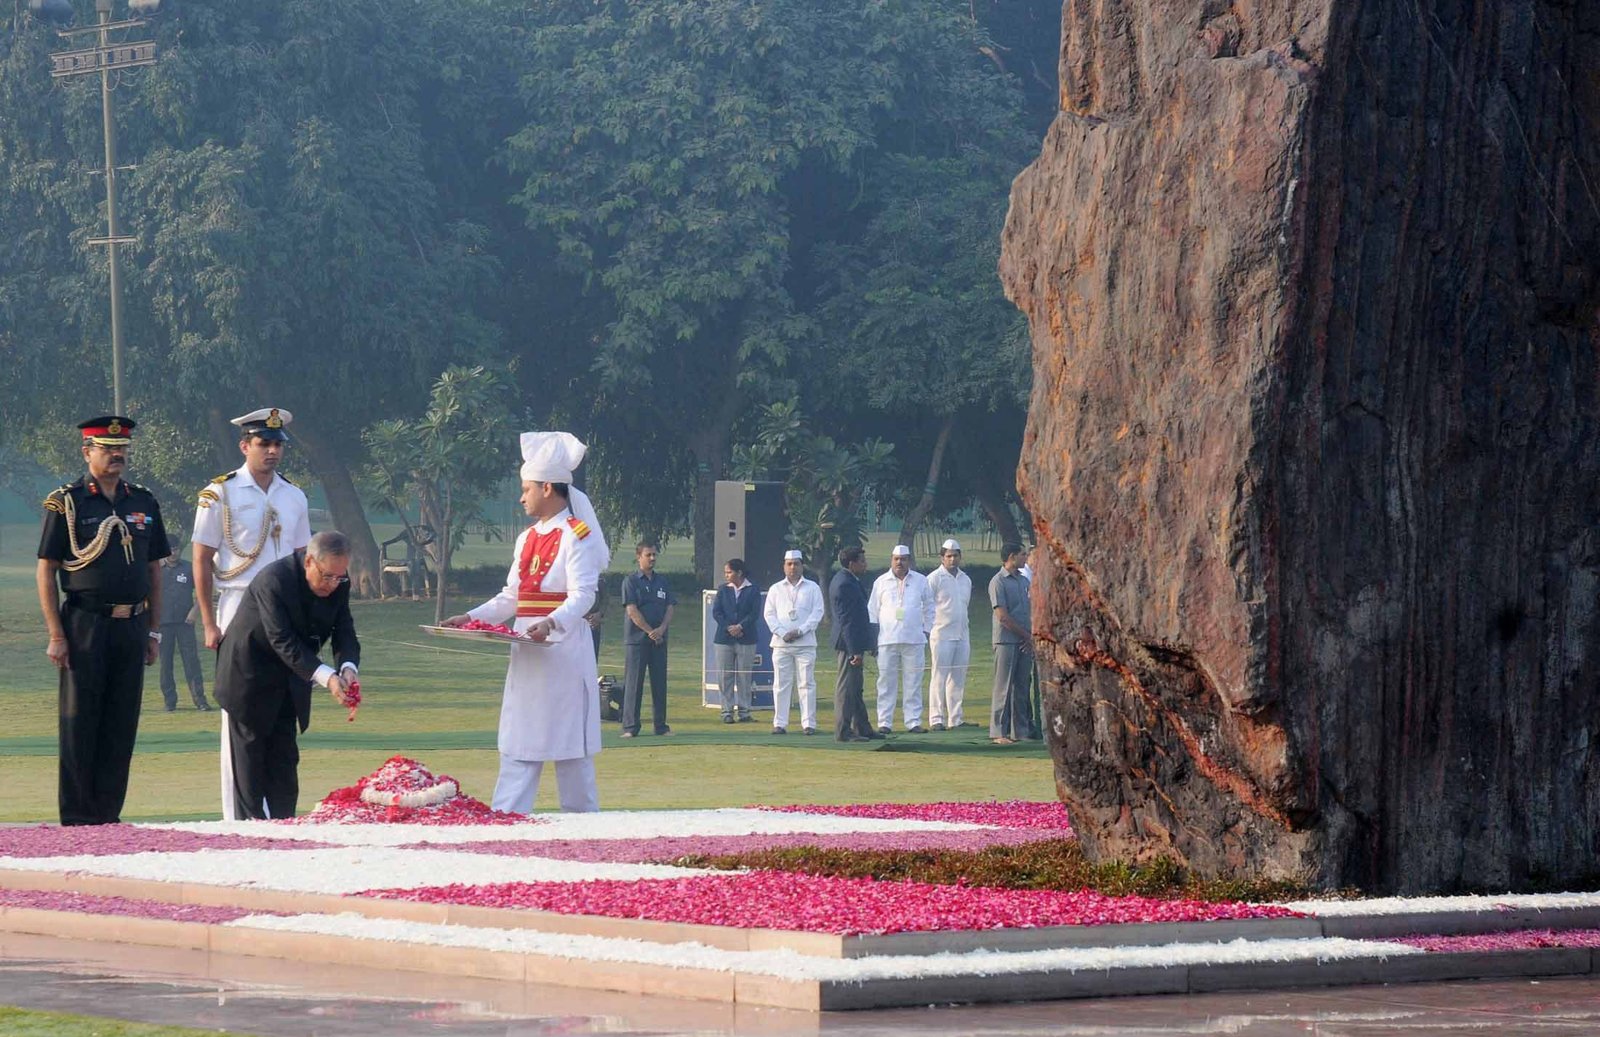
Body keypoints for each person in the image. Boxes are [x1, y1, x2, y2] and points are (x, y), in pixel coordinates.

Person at [444, 431, 609, 812]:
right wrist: (470, 617)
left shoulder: (576, 536)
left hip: (564, 652)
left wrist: (550, 623)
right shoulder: (526, 538)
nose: (521, 497)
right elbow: (512, 596)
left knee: (572, 752)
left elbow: (583, 595)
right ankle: (507, 819)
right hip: (527, 651)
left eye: (526, 489)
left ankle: (586, 829)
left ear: (548, 488)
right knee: (520, 741)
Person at [36, 416, 169, 826]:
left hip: (131, 625)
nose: (117, 456)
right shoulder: (68, 502)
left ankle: (108, 817)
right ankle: (77, 819)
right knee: (80, 721)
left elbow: (154, 571)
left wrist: (153, 630)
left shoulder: (142, 501)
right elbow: (47, 569)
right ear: (87, 452)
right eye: (107, 448)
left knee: (121, 721)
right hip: (84, 624)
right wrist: (56, 634)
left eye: (122, 449)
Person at [192, 407, 311, 820]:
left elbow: (302, 561)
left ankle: (280, 813)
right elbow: (202, 558)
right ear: (245, 445)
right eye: (264, 443)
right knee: (240, 713)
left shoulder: (294, 495)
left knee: (281, 710)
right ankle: (237, 814)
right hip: (238, 603)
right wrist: (209, 622)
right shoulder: (220, 493)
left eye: (278, 444)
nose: (273, 451)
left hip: (284, 613)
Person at [213, 532, 360, 819]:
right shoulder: (274, 580)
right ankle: (249, 843)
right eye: (327, 576)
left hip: (290, 680)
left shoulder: (339, 582)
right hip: (248, 680)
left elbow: (344, 630)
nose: (333, 585)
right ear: (309, 561)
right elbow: (282, 639)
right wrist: (328, 677)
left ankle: (285, 836)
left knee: (284, 770)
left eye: (339, 578)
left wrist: (348, 668)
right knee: (251, 775)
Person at [868, 544, 934, 733]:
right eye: (896, 559)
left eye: (903, 559)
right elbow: (872, 611)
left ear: (909, 560)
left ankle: (913, 722)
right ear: (891, 560)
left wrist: (926, 630)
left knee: (913, 681)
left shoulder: (921, 581)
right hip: (886, 639)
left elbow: (930, 607)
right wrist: (873, 638)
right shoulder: (881, 582)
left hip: (914, 639)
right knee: (886, 682)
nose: (900, 562)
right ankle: (884, 722)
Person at [764, 549, 824, 734]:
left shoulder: (812, 587)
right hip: (781, 644)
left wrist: (800, 630)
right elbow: (769, 614)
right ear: (784, 566)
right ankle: (780, 723)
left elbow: (818, 613)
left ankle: (808, 724)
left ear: (801, 565)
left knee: (806, 683)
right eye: (789, 564)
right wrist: (783, 633)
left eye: (796, 563)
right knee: (781, 684)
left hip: (805, 643)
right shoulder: (775, 589)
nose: (792, 567)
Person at [620, 542, 675, 737]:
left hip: (659, 640)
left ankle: (660, 726)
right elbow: (632, 610)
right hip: (637, 641)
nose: (652, 558)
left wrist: (661, 629)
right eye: (648, 555)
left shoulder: (662, 581)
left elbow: (670, 607)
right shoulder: (631, 581)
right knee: (634, 684)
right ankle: (630, 727)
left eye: (654, 555)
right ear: (639, 557)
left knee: (659, 684)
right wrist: (649, 630)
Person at [829, 545, 879, 742]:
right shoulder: (844, 584)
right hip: (848, 644)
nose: (865, 565)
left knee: (856, 687)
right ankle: (843, 730)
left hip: (854, 641)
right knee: (846, 688)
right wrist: (854, 651)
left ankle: (862, 727)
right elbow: (847, 621)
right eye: (862, 561)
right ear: (852, 564)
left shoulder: (850, 580)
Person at [157, 531, 211, 712]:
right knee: (165, 664)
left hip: (185, 623)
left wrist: (195, 612)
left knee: (191, 662)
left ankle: (200, 700)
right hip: (162, 624)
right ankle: (169, 702)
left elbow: (204, 591)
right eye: (170, 549)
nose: (173, 552)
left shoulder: (189, 568)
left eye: (176, 549)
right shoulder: (156, 569)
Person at [989, 542, 1033, 744]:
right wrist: (1026, 635)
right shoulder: (998, 582)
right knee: (1003, 686)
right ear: (1012, 557)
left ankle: (1020, 731)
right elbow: (1002, 616)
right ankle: (999, 732)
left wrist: (1030, 636)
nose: (1026, 558)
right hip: (1006, 641)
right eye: (1023, 554)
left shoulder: (1024, 581)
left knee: (1022, 686)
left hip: (1025, 640)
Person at [925, 538, 972, 731]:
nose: (952, 559)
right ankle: (936, 719)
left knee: (958, 677)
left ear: (960, 557)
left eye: (955, 556)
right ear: (942, 558)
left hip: (962, 634)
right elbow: (926, 606)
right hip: (941, 634)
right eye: (949, 556)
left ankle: (956, 718)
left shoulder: (965, 579)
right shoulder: (934, 578)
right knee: (939, 676)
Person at [712, 558, 759, 725]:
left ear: (739, 573)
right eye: (725, 572)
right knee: (725, 676)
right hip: (724, 639)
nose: (726, 575)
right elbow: (717, 612)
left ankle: (745, 711)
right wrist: (729, 627)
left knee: (744, 676)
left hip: (746, 638)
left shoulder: (752, 590)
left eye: (729, 572)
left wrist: (740, 626)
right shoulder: (723, 590)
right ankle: (727, 711)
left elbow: (754, 614)